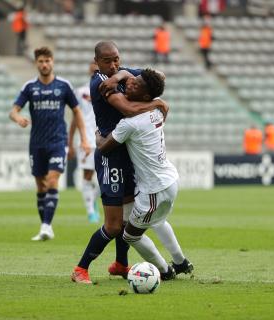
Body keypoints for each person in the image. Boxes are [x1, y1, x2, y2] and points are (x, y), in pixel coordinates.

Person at [71, 41, 168, 284]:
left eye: (116, 58)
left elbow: (159, 76)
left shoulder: (121, 73)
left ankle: (121, 264)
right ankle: (80, 269)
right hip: (110, 157)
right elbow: (126, 108)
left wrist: (124, 73)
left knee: (127, 218)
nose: (114, 64)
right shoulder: (100, 83)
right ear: (97, 62)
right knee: (114, 225)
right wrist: (156, 104)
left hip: (126, 156)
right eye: (108, 61)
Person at [95, 68, 193, 279]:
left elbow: (104, 147)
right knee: (158, 222)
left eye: (136, 85)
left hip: (153, 191)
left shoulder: (129, 124)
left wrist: (97, 134)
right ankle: (181, 261)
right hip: (170, 180)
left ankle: (165, 271)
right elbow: (155, 93)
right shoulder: (158, 110)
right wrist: (121, 75)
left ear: (146, 96)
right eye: (132, 80)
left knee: (130, 235)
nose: (130, 83)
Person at [9, 47, 91, 241]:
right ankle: (46, 225)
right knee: (40, 186)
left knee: (53, 180)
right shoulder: (30, 87)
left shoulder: (63, 86)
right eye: (41, 61)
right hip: (36, 143)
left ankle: (46, 226)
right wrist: (18, 118)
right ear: (36, 64)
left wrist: (84, 138)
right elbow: (13, 111)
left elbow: (77, 111)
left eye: (47, 61)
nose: (44, 64)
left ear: (52, 62)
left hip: (57, 141)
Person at [68, 62, 100, 223]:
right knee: (87, 176)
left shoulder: (110, 90)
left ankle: (93, 198)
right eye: (93, 64)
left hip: (106, 139)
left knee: (106, 179)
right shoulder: (80, 92)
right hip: (86, 140)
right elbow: (75, 118)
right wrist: (70, 141)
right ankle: (90, 211)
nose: (95, 67)